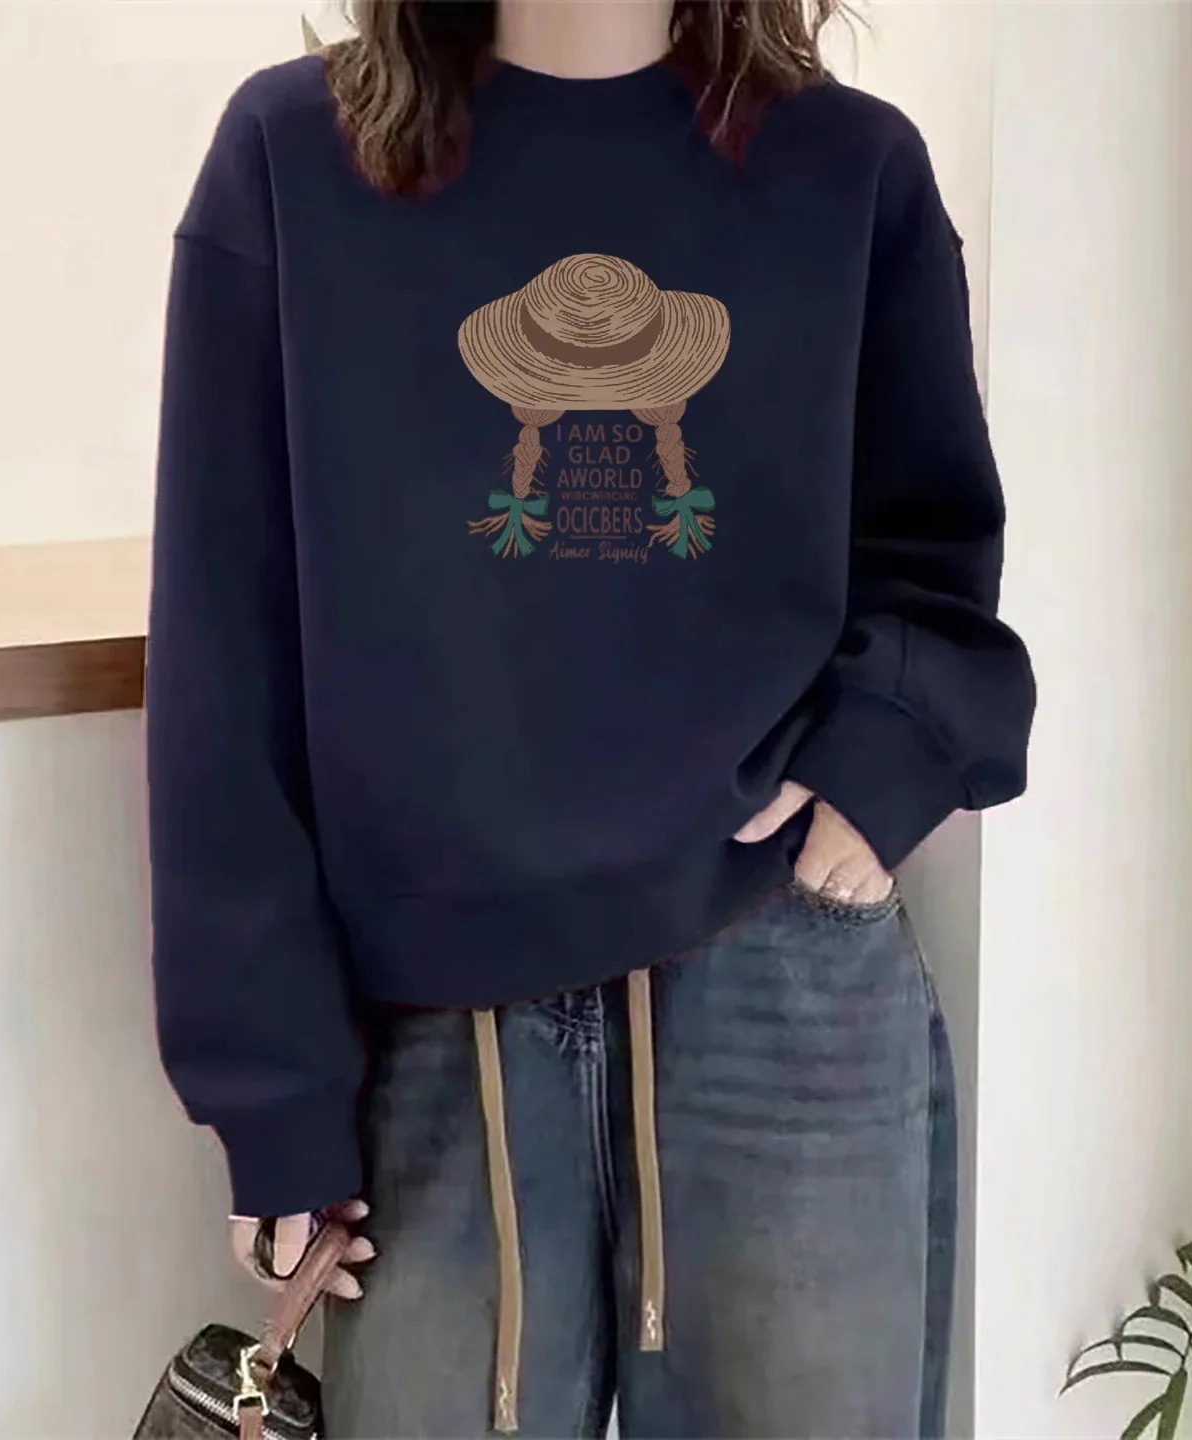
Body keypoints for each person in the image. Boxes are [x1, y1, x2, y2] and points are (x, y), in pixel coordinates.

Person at [146, 0, 1035, 1434]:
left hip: (776, 973)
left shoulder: (849, 169)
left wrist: (880, 770)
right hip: (433, 1030)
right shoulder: (293, 159)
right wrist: (271, 1090)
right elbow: (224, 651)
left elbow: (933, 554)